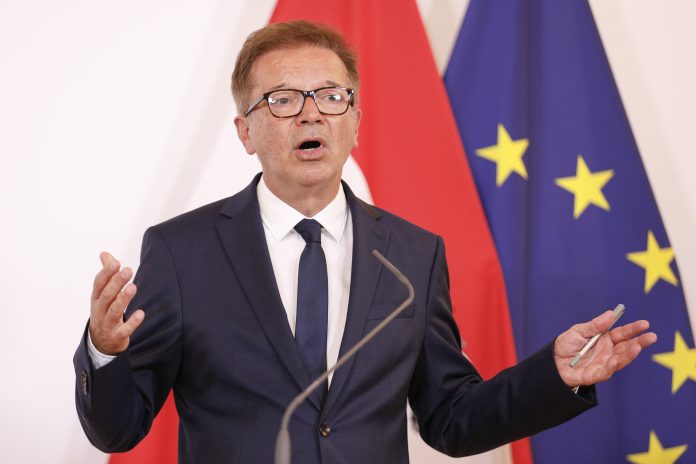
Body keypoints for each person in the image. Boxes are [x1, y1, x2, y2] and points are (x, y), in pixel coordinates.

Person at [74, 20, 657, 463]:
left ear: (354, 122)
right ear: (246, 132)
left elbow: (451, 419)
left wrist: (553, 376)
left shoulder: (413, 255)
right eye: (282, 99)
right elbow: (118, 429)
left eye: (331, 96)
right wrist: (105, 350)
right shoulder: (183, 252)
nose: (311, 115)